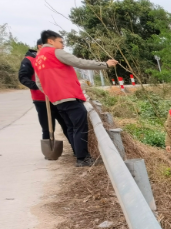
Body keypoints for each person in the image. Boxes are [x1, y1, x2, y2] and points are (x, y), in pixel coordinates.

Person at [33, 30, 118, 166]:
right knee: (79, 127)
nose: (62, 45)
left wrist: (52, 93)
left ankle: (79, 156)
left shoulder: (38, 59)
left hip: (57, 100)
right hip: (69, 96)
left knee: (71, 128)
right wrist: (105, 65)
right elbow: (79, 62)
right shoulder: (55, 52)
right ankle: (83, 159)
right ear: (50, 41)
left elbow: (39, 83)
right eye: (60, 42)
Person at [18, 38, 71, 150]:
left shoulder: (52, 58)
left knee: (67, 124)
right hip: (41, 100)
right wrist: (39, 86)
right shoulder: (29, 60)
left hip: (57, 97)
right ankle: (49, 151)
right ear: (40, 47)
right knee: (47, 127)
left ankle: (76, 150)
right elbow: (23, 77)